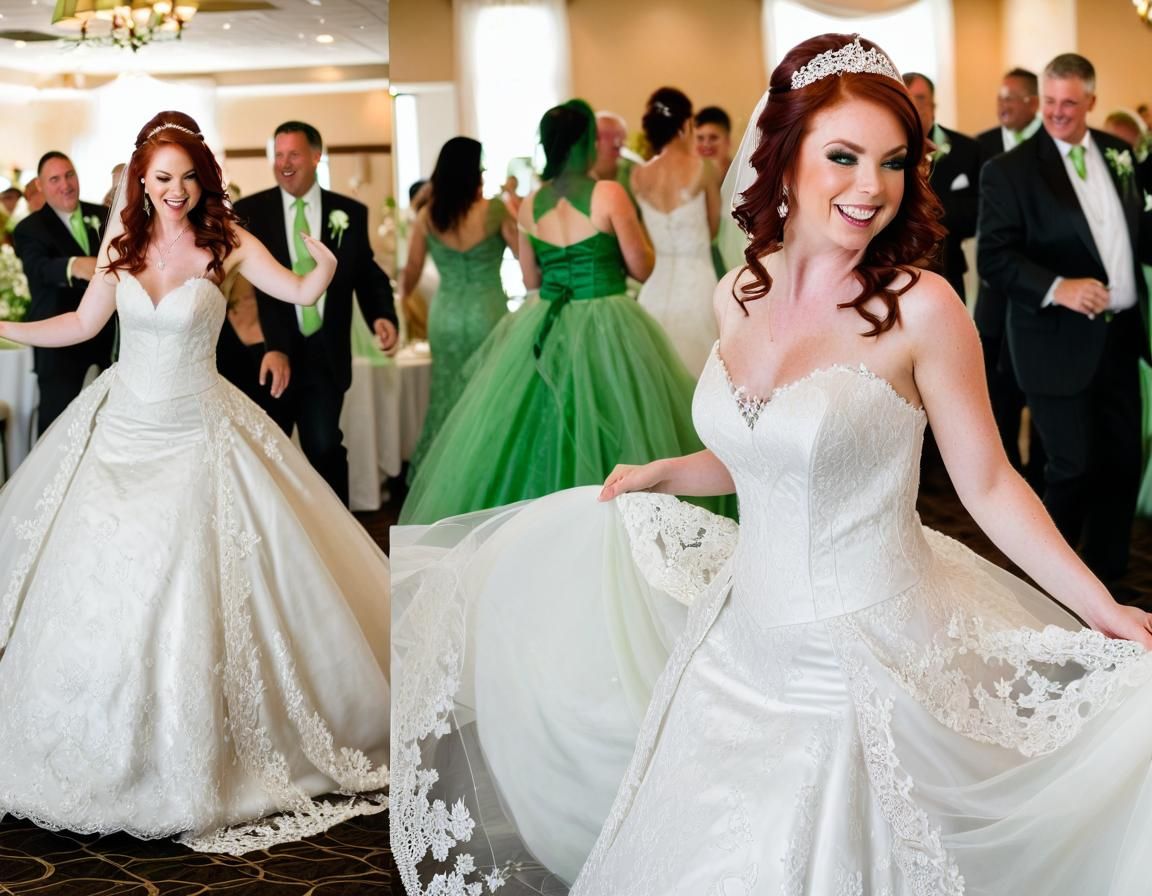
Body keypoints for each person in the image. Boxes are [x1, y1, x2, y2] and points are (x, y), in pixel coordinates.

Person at [392, 35, 1152, 895]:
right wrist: (665, 472)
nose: (872, 186)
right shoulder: (737, 291)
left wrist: (1098, 606)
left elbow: (987, 483)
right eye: (844, 156)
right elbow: (761, 453)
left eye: (893, 162)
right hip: (734, 646)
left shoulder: (921, 308)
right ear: (783, 161)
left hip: (862, 654)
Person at [0, 111, 389, 853]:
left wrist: (327, 271)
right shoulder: (123, 248)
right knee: (97, 588)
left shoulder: (227, 240)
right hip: (118, 434)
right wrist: (8, 327)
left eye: (185, 177)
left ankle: (191, 757)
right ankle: (88, 749)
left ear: (199, 179)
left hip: (196, 433)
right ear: (139, 184)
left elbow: (302, 294)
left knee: (189, 588)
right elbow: (83, 327)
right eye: (160, 178)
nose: (174, 191)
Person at [398, 99, 717, 525]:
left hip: (549, 320)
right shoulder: (609, 193)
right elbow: (642, 266)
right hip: (608, 319)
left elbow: (530, 279)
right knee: (619, 416)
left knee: (542, 426)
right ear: (586, 142)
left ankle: (547, 523)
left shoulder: (529, 204)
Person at [979, 52, 1152, 588]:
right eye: (1050, 101)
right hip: (1053, 343)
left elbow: (1131, 237)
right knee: (1071, 469)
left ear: (1091, 102)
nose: (1056, 113)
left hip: (1120, 337)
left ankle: (1108, 588)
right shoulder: (1008, 171)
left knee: (1122, 465)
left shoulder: (1120, 154)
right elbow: (994, 258)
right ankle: (1041, 589)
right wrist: (1059, 287)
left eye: (1069, 104)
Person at [233, 120, 398, 507]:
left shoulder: (349, 212)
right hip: (267, 353)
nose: (285, 163)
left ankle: (341, 537)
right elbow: (247, 289)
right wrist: (273, 345)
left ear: (316, 157)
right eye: (278, 155)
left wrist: (382, 315)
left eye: (293, 154)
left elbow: (366, 272)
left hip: (325, 352)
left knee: (324, 447)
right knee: (266, 453)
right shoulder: (250, 212)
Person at [400, 136, 518, 474]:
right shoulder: (494, 210)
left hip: (446, 316)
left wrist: (398, 304)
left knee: (447, 396)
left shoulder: (428, 216)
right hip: (488, 312)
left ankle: (445, 473)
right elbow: (527, 259)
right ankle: (486, 469)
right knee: (488, 395)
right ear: (473, 171)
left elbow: (411, 269)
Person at [974, 68, 1045, 485]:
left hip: (1039, 291)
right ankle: (1004, 476)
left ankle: (1039, 473)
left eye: (1012, 98)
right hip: (995, 292)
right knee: (997, 391)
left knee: (1040, 390)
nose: (1003, 105)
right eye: (1000, 97)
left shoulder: (1049, 150)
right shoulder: (980, 147)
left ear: (1033, 103)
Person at [12, 152, 115, 435]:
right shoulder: (28, 228)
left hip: (109, 342)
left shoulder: (103, 215)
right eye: (54, 179)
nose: (65, 185)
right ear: (41, 186)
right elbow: (38, 268)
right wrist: (73, 265)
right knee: (57, 430)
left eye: (69, 175)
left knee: (107, 426)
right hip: (59, 348)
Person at [631, 87, 720, 376]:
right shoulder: (701, 168)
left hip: (654, 291)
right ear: (685, 126)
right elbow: (714, 227)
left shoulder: (638, 175)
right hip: (698, 287)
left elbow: (645, 234)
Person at [903, 71, 981, 301]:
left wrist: (932, 211)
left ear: (933, 105)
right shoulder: (889, 152)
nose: (913, 106)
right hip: (899, 271)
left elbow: (983, 210)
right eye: (906, 99)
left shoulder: (969, 150)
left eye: (920, 98)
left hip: (950, 270)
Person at [693, 104, 733, 179]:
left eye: (713, 137)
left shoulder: (742, 177)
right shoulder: (688, 180)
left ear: (728, 141)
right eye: (700, 138)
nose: (706, 144)